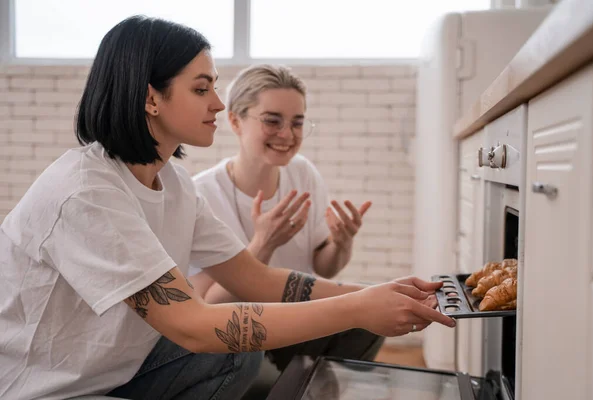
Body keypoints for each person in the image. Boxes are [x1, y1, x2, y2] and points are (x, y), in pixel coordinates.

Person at [0, 15, 455, 400]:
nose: (219, 104)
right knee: (242, 343)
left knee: (255, 349)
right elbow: (194, 324)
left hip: (122, 363)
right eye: (202, 90)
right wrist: (358, 306)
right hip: (48, 385)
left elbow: (254, 279)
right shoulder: (86, 192)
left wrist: (381, 292)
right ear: (149, 97)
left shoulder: (172, 182)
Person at [191, 64, 382, 372]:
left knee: (372, 308)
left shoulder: (302, 172)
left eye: (297, 123)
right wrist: (262, 245)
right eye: (272, 121)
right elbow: (208, 307)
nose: (287, 135)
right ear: (235, 121)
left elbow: (324, 267)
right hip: (244, 334)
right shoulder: (201, 193)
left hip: (299, 321)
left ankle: (324, 390)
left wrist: (341, 242)